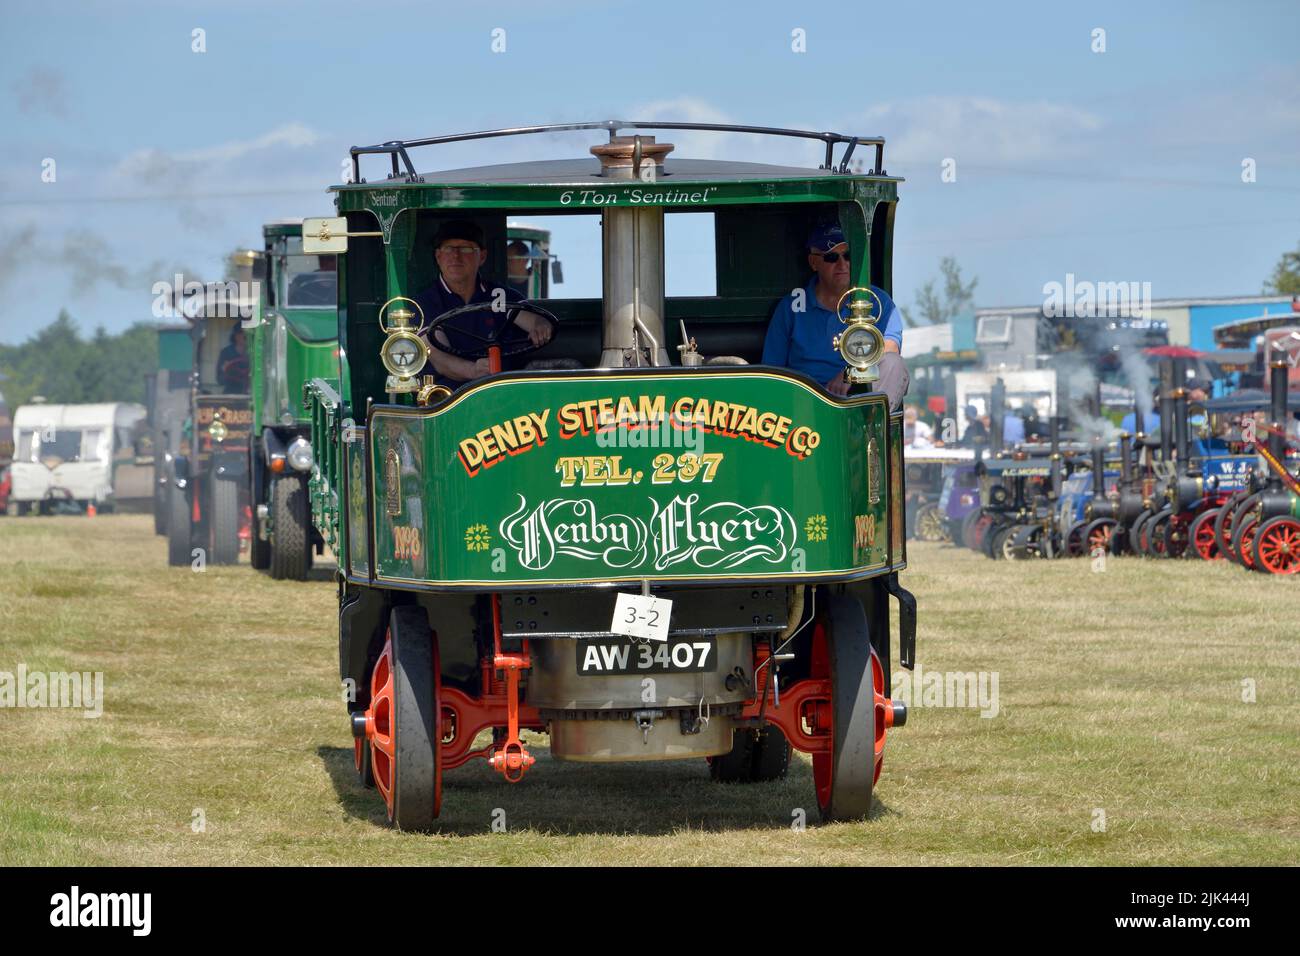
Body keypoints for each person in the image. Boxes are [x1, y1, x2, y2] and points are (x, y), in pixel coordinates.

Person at [761, 223, 908, 408]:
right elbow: (772, 370)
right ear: (813, 262)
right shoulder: (790, 307)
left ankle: (873, 430)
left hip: (860, 399)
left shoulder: (877, 301)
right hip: (804, 403)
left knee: (894, 364)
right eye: (831, 257)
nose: (842, 264)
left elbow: (890, 349)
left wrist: (850, 373)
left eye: (847, 256)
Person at [413, 221, 552, 386]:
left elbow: (533, 320)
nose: (456, 256)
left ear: (482, 257)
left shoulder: (498, 295)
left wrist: (541, 326)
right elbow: (439, 358)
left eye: (465, 249)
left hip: (506, 395)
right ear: (438, 256)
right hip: (448, 400)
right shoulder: (424, 303)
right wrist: (473, 371)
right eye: (449, 249)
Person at [217, 326, 249, 393]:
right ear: (235, 336)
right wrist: (225, 370)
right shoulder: (225, 352)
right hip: (230, 395)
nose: (243, 336)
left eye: (246, 333)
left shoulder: (252, 353)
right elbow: (219, 380)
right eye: (240, 333)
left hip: (248, 395)